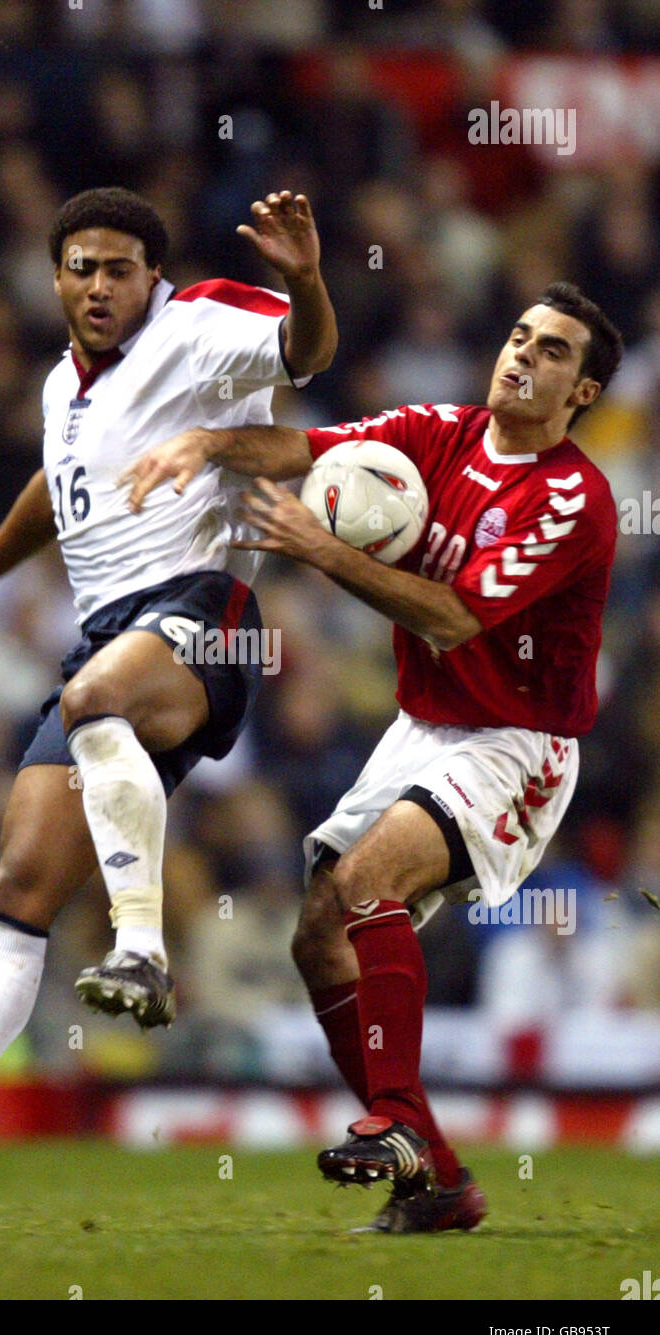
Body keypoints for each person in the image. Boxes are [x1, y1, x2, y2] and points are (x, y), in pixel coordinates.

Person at [0, 185, 337, 1210]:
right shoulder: (61, 388)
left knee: (97, 695)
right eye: (81, 267)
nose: (99, 285)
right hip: (109, 642)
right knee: (13, 892)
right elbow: (55, 492)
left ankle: (141, 948)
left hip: (203, 612)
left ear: (153, 276)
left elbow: (307, 357)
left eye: (119, 268)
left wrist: (308, 280)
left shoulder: (203, 325)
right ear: (56, 276)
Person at [121, 282, 623, 1232]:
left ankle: (392, 1119)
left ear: (584, 393)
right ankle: (438, 1182)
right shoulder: (440, 429)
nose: (523, 355)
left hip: (518, 744)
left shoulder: (572, 500)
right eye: (520, 336)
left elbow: (452, 615)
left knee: (364, 881)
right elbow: (312, 448)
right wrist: (206, 446)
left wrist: (319, 547)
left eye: (555, 352)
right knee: (316, 934)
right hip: (426, 726)